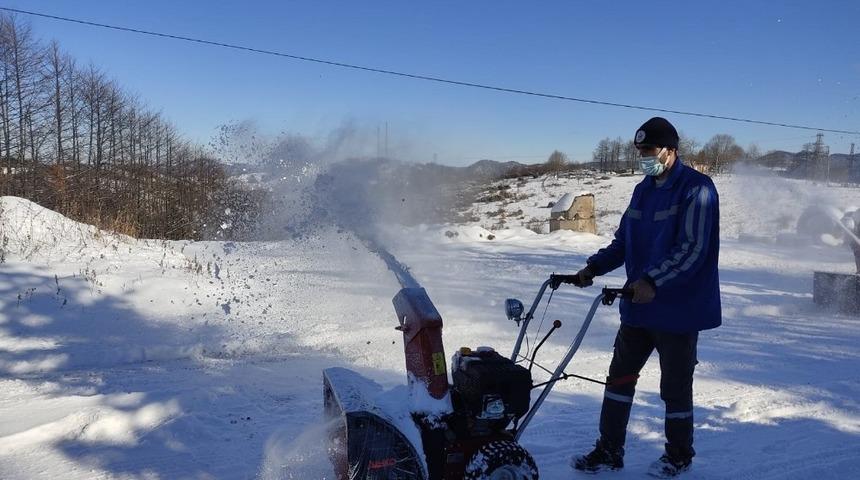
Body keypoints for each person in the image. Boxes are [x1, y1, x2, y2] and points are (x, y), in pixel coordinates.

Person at [568, 117, 721, 478]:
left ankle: (678, 455)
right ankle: (609, 451)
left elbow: (693, 249)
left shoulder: (697, 188)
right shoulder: (642, 190)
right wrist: (593, 268)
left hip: (678, 311)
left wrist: (653, 280)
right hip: (638, 307)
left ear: (670, 151)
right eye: (639, 152)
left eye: (649, 151)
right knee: (618, 380)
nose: (643, 158)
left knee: (674, 389)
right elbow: (624, 242)